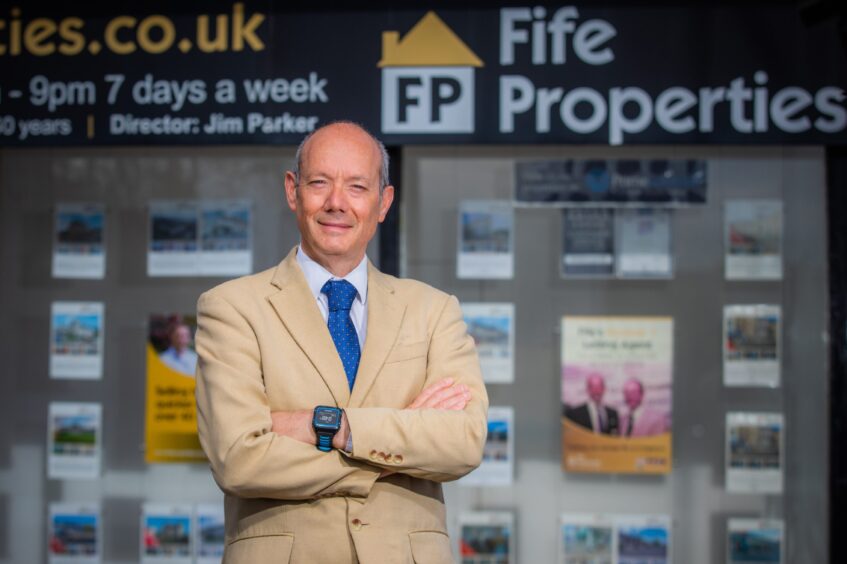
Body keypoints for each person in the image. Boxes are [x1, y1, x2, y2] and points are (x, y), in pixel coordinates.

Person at [194, 121, 488, 564]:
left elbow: (464, 440)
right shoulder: (231, 308)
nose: (336, 203)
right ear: (293, 191)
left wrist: (335, 427)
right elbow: (239, 457)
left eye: (357, 186)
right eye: (319, 183)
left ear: (383, 202)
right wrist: (395, 446)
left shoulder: (434, 310)